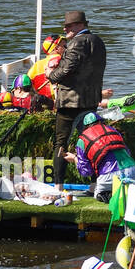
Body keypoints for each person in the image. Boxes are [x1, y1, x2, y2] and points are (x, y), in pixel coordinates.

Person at [46, 10, 106, 192]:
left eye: (69, 25)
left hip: (71, 101)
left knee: (61, 142)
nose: (65, 29)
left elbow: (66, 70)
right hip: (91, 99)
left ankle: (58, 186)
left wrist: (51, 75)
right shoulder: (99, 42)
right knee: (92, 140)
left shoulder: (76, 43)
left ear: (81, 25)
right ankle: (95, 184)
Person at [73, 112, 135, 200]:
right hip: (132, 169)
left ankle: (107, 193)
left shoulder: (82, 140)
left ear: (86, 126)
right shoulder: (113, 130)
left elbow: (86, 171)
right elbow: (127, 152)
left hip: (107, 175)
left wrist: (74, 159)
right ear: (101, 121)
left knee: (98, 196)